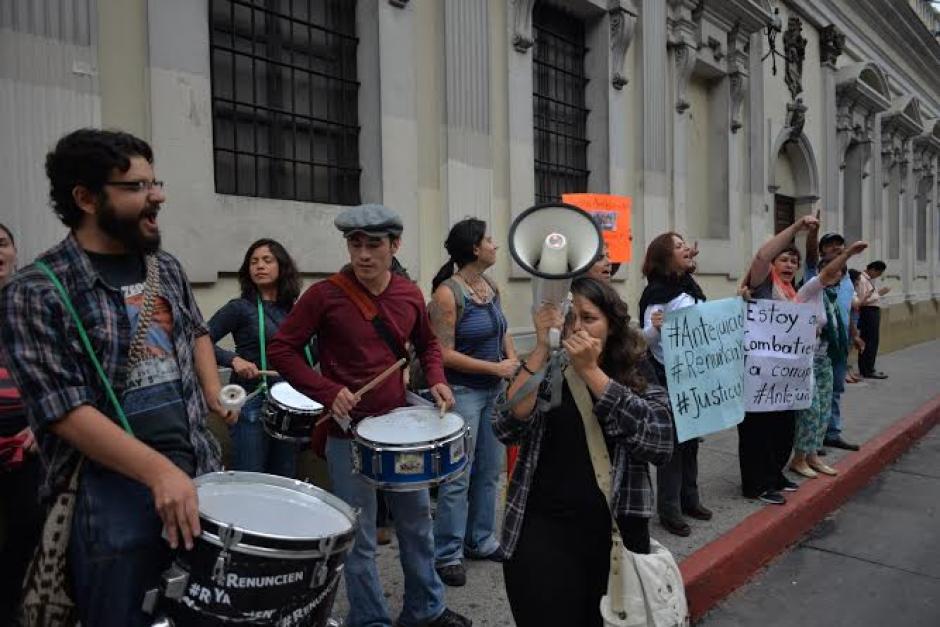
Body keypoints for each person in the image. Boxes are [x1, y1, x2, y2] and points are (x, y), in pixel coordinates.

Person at [0, 129, 226, 626]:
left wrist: (213, 394)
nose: (158, 196)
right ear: (85, 197)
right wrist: (159, 472)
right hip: (109, 499)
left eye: (155, 182)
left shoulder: (164, 267)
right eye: (137, 186)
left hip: (196, 477)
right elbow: (64, 410)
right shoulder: (36, 292)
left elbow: (194, 331)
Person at [268, 204, 469, 627]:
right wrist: (327, 391)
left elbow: (428, 345)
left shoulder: (409, 293)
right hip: (348, 433)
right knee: (358, 535)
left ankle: (425, 610)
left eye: (373, 245)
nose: (363, 254)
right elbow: (282, 349)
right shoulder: (324, 295)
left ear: (394, 245)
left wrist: (436, 378)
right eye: (355, 244)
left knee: (416, 524)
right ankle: (369, 618)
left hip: (400, 431)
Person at [495, 277, 673, 627]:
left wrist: (591, 372)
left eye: (589, 318)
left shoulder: (635, 369)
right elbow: (504, 427)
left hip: (615, 533)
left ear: (611, 325)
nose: (577, 327)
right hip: (542, 533)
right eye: (569, 317)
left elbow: (660, 442)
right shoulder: (545, 367)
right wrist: (543, 349)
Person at [428, 218, 519, 587]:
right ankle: (447, 553)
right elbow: (442, 354)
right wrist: (495, 367)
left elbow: (503, 330)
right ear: (474, 248)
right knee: (457, 478)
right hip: (463, 393)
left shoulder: (490, 286)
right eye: (489, 239)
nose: (495, 245)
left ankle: (480, 540)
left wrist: (511, 366)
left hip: (495, 391)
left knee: (488, 472)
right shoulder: (447, 294)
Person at [208, 238, 313, 476]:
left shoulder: (296, 310)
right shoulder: (239, 308)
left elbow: (308, 353)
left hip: (290, 407)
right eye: (253, 261)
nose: (259, 266)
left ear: (282, 267)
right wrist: (233, 360)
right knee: (251, 479)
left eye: (267, 260)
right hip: (252, 402)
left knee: (284, 478)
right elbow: (199, 339)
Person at [741, 214, 819, 504]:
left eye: (793, 261)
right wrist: (797, 228)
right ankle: (755, 484)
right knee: (757, 432)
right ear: (773, 264)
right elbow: (761, 255)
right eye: (783, 259)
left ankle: (774, 474)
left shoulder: (794, 292)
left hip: (784, 380)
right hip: (758, 378)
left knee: (783, 429)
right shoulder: (762, 285)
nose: (789, 265)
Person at [638, 232, 712, 536]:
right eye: (678, 247)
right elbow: (643, 340)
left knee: (692, 441)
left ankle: (689, 499)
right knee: (673, 447)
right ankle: (669, 510)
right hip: (668, 375)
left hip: (693, 373)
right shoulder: (657, 293)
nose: (686, 249)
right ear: (665, 257)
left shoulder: (687, 285)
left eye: (686, 245)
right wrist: (655, 329)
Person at [789, 245, 868, 479]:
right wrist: (848, 253)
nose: (835, 274)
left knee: (823, 409)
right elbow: (823, 275)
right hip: (807, 360)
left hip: (826, 359)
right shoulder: (811, 289)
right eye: (831, 271)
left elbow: (839, 326)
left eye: (840, 272)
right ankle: (799, 458)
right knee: (810, 410)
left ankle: (813, 455)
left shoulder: (832, 297)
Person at [0, 223, 44, 625]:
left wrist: (42, 423)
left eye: (1, 243)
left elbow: (57, 370)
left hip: (29, 440)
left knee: (25, 532)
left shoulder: (30, 304)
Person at [805, 228, 861, 451]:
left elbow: (846, 311)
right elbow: (809, 255)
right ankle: (812, 439)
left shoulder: (846, 279)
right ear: (821, 252)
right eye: (830, 245)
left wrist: (854, 335)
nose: (836, 247)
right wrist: (812, 232)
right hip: (817, 347)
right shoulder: (815, 275)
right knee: (815, 394)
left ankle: (832, 433)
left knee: (835, 390)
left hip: (839, 345)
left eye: (839, 244)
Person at [856, 260, 890, 380]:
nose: (878, 276)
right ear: (873, 269)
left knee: (872, 341)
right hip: (868, 312)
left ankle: (868, 368)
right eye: (878, 273)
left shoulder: (868, 280)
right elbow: (862, 299)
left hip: (872, 311)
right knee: (869, 341)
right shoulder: (862, 279)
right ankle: (867, 370)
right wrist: (879, 294)